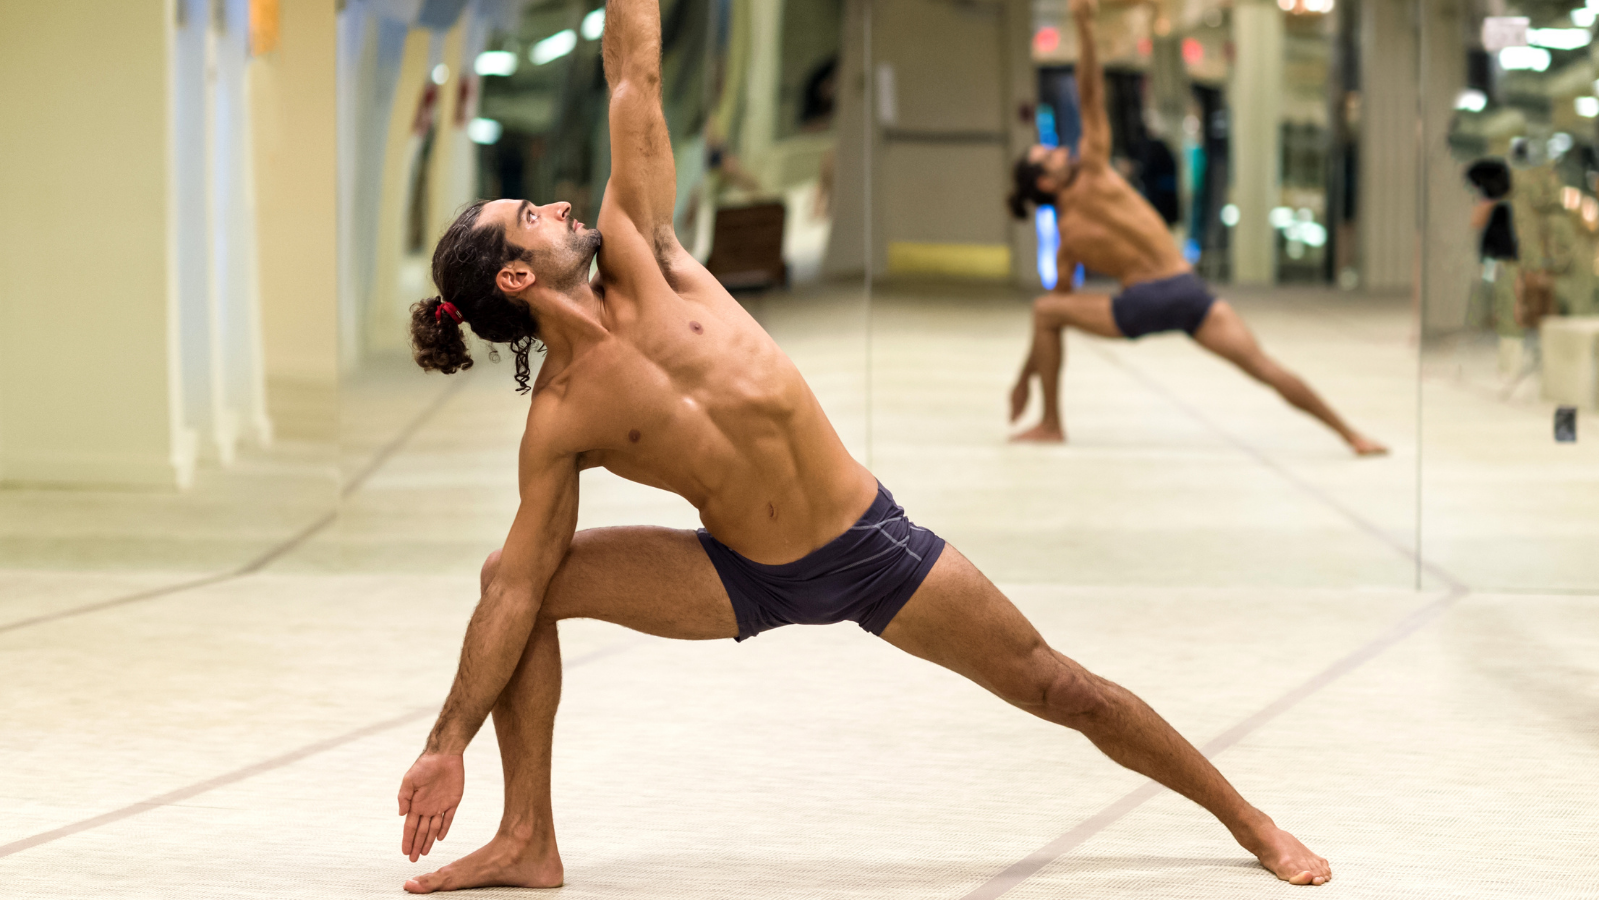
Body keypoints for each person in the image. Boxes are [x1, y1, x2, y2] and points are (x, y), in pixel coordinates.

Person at [391, 0, 1332, 892]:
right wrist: (447, 742)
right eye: (532, 218)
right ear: (516, 274)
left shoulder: (649, 250)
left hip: (870, 548)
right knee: (517, 579)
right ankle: (527, 838)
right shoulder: (559, 420)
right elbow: (518, 584)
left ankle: (1248, 822)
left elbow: (632, 67)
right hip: (741, 575)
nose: (556, 209)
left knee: (1059, 686)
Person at [1006, 0, 1385, 455]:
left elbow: (1054, 314)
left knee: (1048, 311)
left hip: (1158, 301)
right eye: (1048, 155)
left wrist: (1026, 376)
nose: (1060, 151)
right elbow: (1089, 93)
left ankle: (1050, 422)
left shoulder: (1069, 236)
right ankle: (1352, 436)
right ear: (1046, 181)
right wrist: (1082, 25)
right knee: (1262, 366)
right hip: (1178, 293)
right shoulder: (1092, 174)